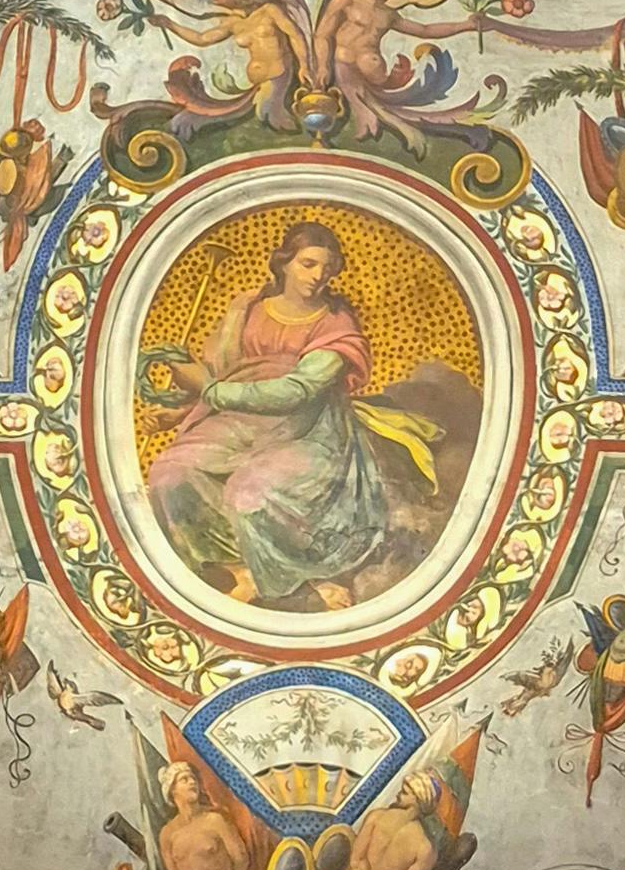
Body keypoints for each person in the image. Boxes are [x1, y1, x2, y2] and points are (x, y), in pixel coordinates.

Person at [141, 213, 442, 609]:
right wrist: (180, 412)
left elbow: (295, 392)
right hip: (239, 424)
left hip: (309, 430)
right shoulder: (248, 308)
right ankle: (237, 567)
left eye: (327, 268)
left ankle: (297, 579)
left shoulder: (336, 324)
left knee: (251, 492)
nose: (318, 276)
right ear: (284, 262)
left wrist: (210, 389)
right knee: (169, 475)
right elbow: (220, 372)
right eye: (308, 263)